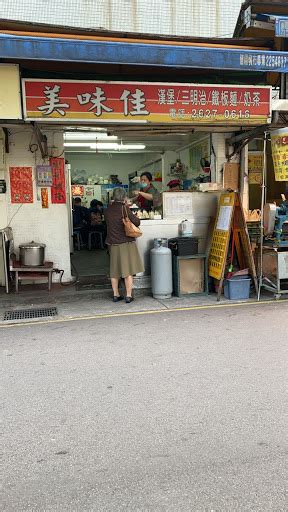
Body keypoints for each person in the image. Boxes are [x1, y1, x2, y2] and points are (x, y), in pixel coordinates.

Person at [104, 187, 144, 303]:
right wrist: (135, 215)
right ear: (124, 197)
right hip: (126, 243)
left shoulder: (107, 210)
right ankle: (128, 295)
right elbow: (137, 222)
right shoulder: (124, 209)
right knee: (128, 271)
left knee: (114, 271)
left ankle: (116, 295)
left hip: (112, 243)